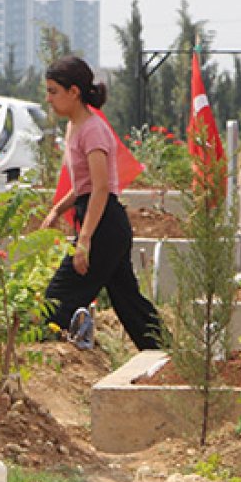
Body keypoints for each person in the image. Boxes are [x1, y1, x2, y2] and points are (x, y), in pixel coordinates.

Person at [40, 55, 161, 351]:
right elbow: (83, 187)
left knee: (58, 298)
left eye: (54, 91)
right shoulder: (75, 127)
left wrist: (84, 241)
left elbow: (101, 187)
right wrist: (58, 209)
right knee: (128, 301)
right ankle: (164, 354)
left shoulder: (92, 130)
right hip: (101, 222)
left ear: (74, 92)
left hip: (103, 224)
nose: (48, 99)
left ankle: (59, 352)